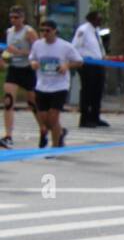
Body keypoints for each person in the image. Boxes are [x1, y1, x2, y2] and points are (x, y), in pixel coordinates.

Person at [29, 19, 83, 149]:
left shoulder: (65, 46)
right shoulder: (37, 45)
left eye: (47, 31)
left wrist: (66, 65)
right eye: (42, 31)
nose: (44, 33)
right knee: (44, 119)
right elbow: (32, 59)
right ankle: (61, 132)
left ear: (54, 31)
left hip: (59, 86)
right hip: (42, 85)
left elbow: (79, 61)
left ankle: (55, 146)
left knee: (53, 118)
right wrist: (33, 64)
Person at [2, 6, 40, 148]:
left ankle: (44, 128)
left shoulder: (28, 32)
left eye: (16, 17)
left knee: (33, 103)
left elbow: (37, 51)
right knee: (8, 102)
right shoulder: (9, 32)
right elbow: (8, 50)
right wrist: (5, 56)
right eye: (11, 17)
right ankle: (8, 135)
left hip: (27, 69)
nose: (13, 20)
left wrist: (18, 51)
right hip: (14, 69)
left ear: (22, 18)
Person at [72, 10, 109, 128]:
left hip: (98, 64)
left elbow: (99, 47)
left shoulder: (96, 31)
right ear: (92, 19)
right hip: (87, 65)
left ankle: (95, 117)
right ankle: (85, 119)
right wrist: (80, 61)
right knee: (87, 92)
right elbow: (75, 47)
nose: (100, 21)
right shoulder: (83, 30)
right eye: (98, 18)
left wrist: (103, 56)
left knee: (97, 91)